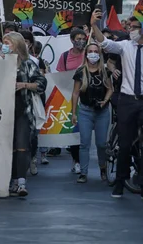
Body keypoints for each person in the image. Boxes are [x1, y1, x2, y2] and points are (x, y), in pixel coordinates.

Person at [91, 10, 143, 201]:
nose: (130, 30)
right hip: (127, 100)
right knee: (124, 145)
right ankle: (119, 183)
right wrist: (93, 26)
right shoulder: (125, 46)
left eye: (134, 27)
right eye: (130, 27)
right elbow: (105, 43)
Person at [2, 32, 47, 196]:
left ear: (17, 45)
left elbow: (42, 83)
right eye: (3, 42)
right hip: (2, 113)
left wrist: (24, 85)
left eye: (8, 42)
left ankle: (21, 181)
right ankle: (10, 180)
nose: (5, 45)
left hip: (23, 111)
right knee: (8, 148)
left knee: (22, 146)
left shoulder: (28, 64)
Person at [71, 43, 113, 183]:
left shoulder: (105, 71)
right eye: (90, 51)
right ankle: (83, 172)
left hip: (102, 112)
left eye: (96, 51)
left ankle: (103, 168)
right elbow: (75, 93)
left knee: (101, 144)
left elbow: (110, 89)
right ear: (86, 54)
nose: (93, 54)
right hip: (85, 111)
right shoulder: (80, 72)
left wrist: (105, 101)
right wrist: (74, 113)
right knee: (84, 144)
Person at [56, 27, 87, 174]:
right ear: (72, 40)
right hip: (70, 96)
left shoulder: (89, 54)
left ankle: (83, 160)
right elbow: (60, 76)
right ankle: (76, 160)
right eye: (78, 39)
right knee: (75, 130)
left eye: (83, 38)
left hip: (87, 96)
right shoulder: (64, 57)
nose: (81, 41)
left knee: (84, 132)